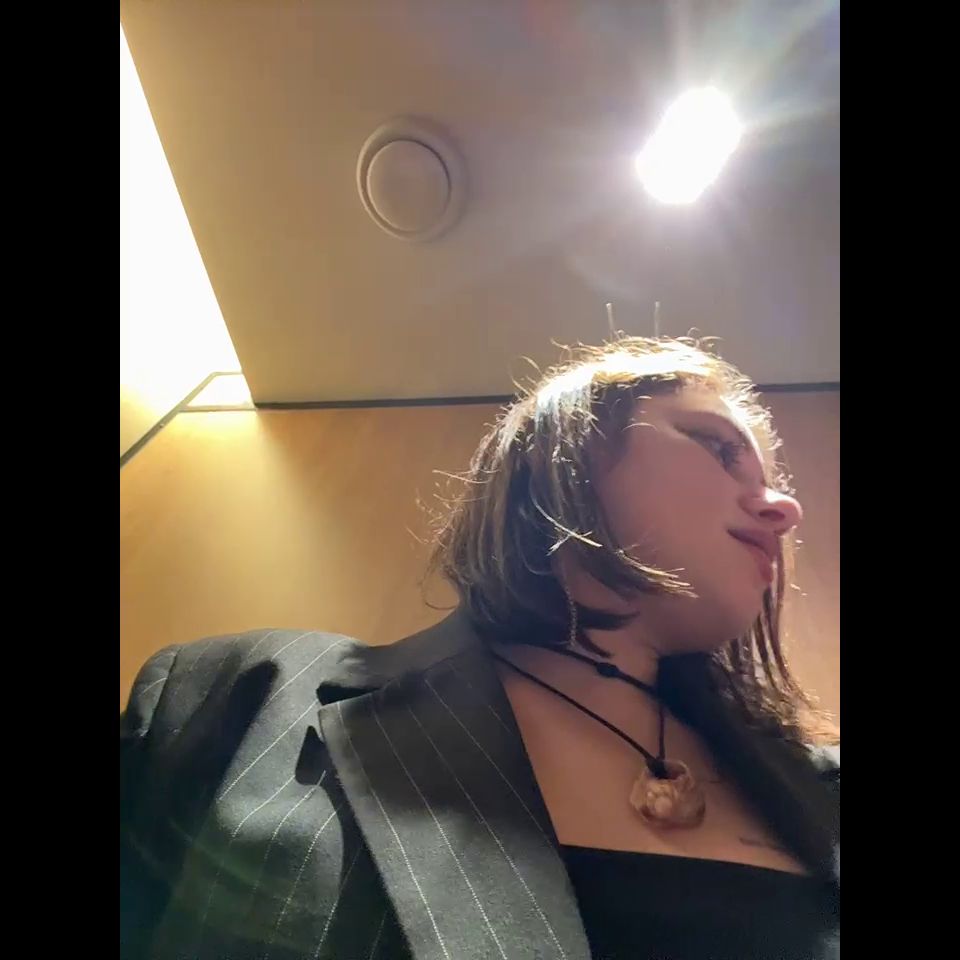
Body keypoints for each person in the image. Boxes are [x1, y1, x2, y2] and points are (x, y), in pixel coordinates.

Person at [120, 336, 839, 960]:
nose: (785, 509)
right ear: (566, 453)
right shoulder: (241, 700)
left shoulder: (824, 789)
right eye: (719, 448)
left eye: (773, 483)